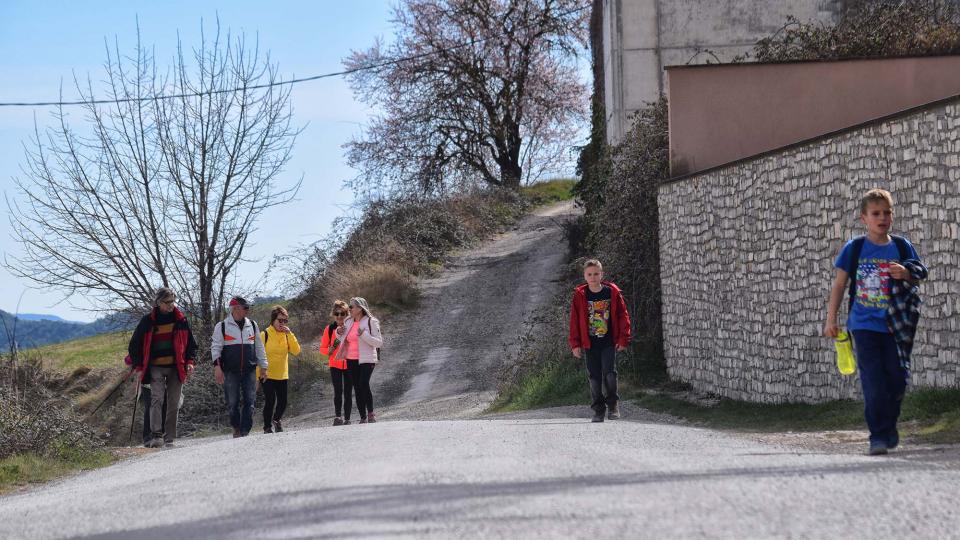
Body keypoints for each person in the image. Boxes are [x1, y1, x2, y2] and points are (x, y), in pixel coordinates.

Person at [824, 188, 927, 456]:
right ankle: (878, 436)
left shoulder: (901, 246)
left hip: (896, 325)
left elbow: (918, 272)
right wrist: (831, 319)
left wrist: (905, 272)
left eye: (887, 213)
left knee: (897, 379)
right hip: (864, 325)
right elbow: (839, 284)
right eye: (876, 213)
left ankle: (889, 424)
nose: (882, 218)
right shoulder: (855, 248)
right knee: (873, 381)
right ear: (864, 218)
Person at [128, 287, 198, 448]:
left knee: (174, 402)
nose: (171, 305)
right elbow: (134, 345)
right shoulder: (147, 321)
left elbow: (191, 345)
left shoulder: (181, 320)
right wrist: (139, 367)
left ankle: (169, 437)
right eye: (167, 302)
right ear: (158, 302)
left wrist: (190, 362)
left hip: (176, 367)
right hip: (155, 367)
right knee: (157, 400)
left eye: (173, 301)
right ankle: (156, 435)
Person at [568, 259, 631, 423]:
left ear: (602, 274)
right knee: (594, 377)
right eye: (590, 274)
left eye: (596, 273)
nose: (593, 277)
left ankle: (613, 405)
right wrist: (575, 344)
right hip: (590, 344)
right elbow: (574, 321)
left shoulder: (612, 292)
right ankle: (598, 410)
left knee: (610, 373)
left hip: (609, 342)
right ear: (585, 276)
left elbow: (622, 316)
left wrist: (623, 338)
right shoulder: (580, 296)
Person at [211, 296, 268, 438]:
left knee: (250, 402)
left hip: (250, 370)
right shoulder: (222, 326)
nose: (248, 310)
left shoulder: (253, 325)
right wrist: (217, 367)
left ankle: (244, 432)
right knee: (232, 403)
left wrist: (264, 367)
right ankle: (236, 427)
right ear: (235, 308)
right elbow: (216, 348)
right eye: (245, 308)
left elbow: (259, 347)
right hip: (230, 372)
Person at [335, 297, 383, 423]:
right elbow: (341, 337)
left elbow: (379, 343)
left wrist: (364, 335)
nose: (349, 309)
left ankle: (371, 413)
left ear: (360, 308)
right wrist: (338, 332)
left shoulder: (371, 321)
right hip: (351, 359)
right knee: (357, 387)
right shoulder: (348, 321)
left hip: (367, 359)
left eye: (351, 307)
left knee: (363, 383)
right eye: (349, 307)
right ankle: (363, 417)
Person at [258, 305, 302, 433]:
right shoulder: (264, 334)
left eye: (285, 321)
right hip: (267, 374)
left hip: (282, 374)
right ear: (273, 320)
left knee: (283, 402)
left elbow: (296, 351)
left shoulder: (287, 334)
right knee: (270, 401)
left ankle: (276, 419)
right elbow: (258, 356)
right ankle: (267, 427)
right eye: (280, 320)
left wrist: (290, 334)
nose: (282, 323)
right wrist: (258, 376)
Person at [319, 300, 353, 425]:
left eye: (342, 313)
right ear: (333, 314)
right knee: (338, 391)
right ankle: (338, 417)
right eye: (336, 313)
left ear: (347, 314)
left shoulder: (351, 327)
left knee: (348, 391)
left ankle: (348, 419)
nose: (339, 316)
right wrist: (328, 350)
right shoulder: (329, 329)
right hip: (335, 364)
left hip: (350, 363)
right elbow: (322, 349)